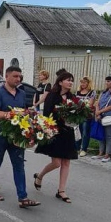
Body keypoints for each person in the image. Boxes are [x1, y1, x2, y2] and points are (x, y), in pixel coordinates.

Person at [0, 66, 40, 208]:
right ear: (7, 76)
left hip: (17, 135)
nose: (18, 79)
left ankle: (23, 197)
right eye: (15, 76)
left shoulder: (21, 93)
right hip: (0, 134)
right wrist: (12, 114)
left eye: (19, 77)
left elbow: (24, 111)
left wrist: (32, 119)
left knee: (19, 165)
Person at [33, 72, 78, 203]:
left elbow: (76, 113)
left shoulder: (72, 97)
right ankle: (39, 176)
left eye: (71, 81)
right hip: (55, 131)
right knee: (56, 163)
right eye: (68, 80)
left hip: (68, 132)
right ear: (60, 82)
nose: (70, 83)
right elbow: (47, 114)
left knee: (66, 162)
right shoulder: (52, 96)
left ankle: (61, 191)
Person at [92, 75, 111, 162]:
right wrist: (97, 112)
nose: (107, 83)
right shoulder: (103, 92)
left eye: (109, 81)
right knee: (101, 134)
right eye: (106, 81)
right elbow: (97, 102)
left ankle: (107, 154)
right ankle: (100, 152)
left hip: (109, 116)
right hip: (100, 115)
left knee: (109, 135)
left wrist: (100, 111)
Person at [75, 76, 96, 157]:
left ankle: (84, 149)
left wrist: (80, 105)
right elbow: (75, 101)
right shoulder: (78, 92)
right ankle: (76, 148)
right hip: (78, 114)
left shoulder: (91, 92)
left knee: (85, 132)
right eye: (81, 82)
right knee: (78, 131)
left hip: (86, 115)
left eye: (84, 82)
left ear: (88, 83)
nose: (82, 84)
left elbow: (90, 104)